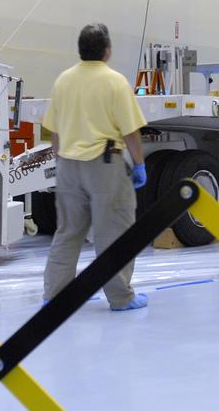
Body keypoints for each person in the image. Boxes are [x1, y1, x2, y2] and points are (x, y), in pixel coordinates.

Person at [42, 23, 150, 310]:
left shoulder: (63, 81)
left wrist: (62, 158)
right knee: (114, 232)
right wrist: (139, 164)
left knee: (67, 232)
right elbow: (130, 132)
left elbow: (54, 130)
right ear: (107, 50)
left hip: (67, 166)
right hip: (103, 166)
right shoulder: (114, 82)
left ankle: (55, 296)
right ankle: (120, 297)